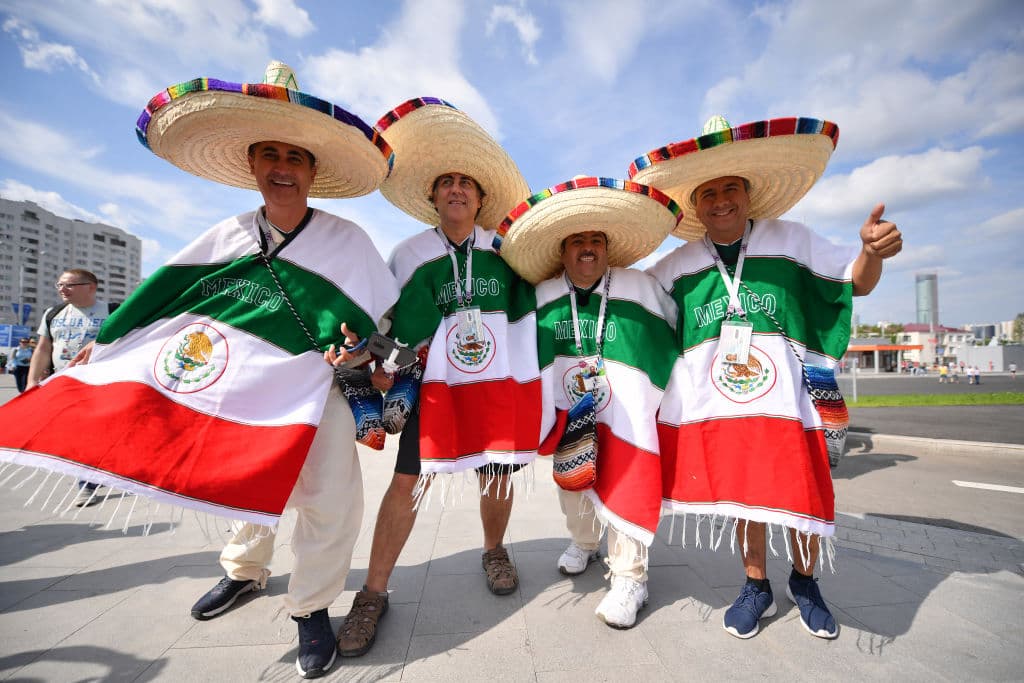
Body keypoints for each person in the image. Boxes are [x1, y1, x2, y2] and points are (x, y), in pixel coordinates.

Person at [0, 61, 398, 680]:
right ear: (253, 165)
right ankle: (243, 572)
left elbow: (381, 330)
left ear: (313, 170)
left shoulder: (351, 244)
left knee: (331, 501)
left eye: (296, 156)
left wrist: (360, 354)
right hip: (239, 392)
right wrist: (103, 348)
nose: (283, 168)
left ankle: (311, 609)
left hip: (319, 395)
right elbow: (159, 302)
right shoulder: (227, 236)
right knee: (243, 482)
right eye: (270, 154)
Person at [630, 115, 902, 640]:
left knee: (803, 493)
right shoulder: (679, 265)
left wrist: (870, 251)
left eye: (731, 187)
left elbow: (854, 284)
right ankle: (755, 585)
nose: (720, 200)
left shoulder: (792, 242)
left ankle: (805, 582)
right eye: (708, 192)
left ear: (748, 194)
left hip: (792, 400)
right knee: (745, 496)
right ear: (696, 205)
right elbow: (631, 308)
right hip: (725, 408)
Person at [333, 98, 539, 658]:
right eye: (445, 182)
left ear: (480, 196)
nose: (455, 190)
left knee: (495, 476)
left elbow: (538, 310)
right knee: (407, 483)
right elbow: (384, 321)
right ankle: (373, 593)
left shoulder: (508, 251)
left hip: (496, 386)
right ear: (432, 196)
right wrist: (375, 363)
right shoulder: (410, 253)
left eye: (465, 183)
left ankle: (494, 550)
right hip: (434, 390)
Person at [495, 176, 681, 628]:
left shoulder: (638, 287)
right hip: (569, 415)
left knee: (627, 485)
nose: (587, 248)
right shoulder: (544, 297)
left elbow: (675, 335)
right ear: (562, 251)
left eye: (596, 239)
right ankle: (584, 541)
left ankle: (630, 578)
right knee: (573, 488)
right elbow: (519, 351)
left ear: (607, 247)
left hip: (626, 418)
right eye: (577, 240)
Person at [27, 268, 115, 506]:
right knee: (78, 433)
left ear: (91, 287)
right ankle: (88, 481)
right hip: (66, 383)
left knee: (99, 433)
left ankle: (95, 476)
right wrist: (32, 381)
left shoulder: (113, 311)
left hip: (104, 382)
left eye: (69, 285)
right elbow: (43, 348)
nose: (62, 289)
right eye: (59, 285)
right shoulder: (53, 313)